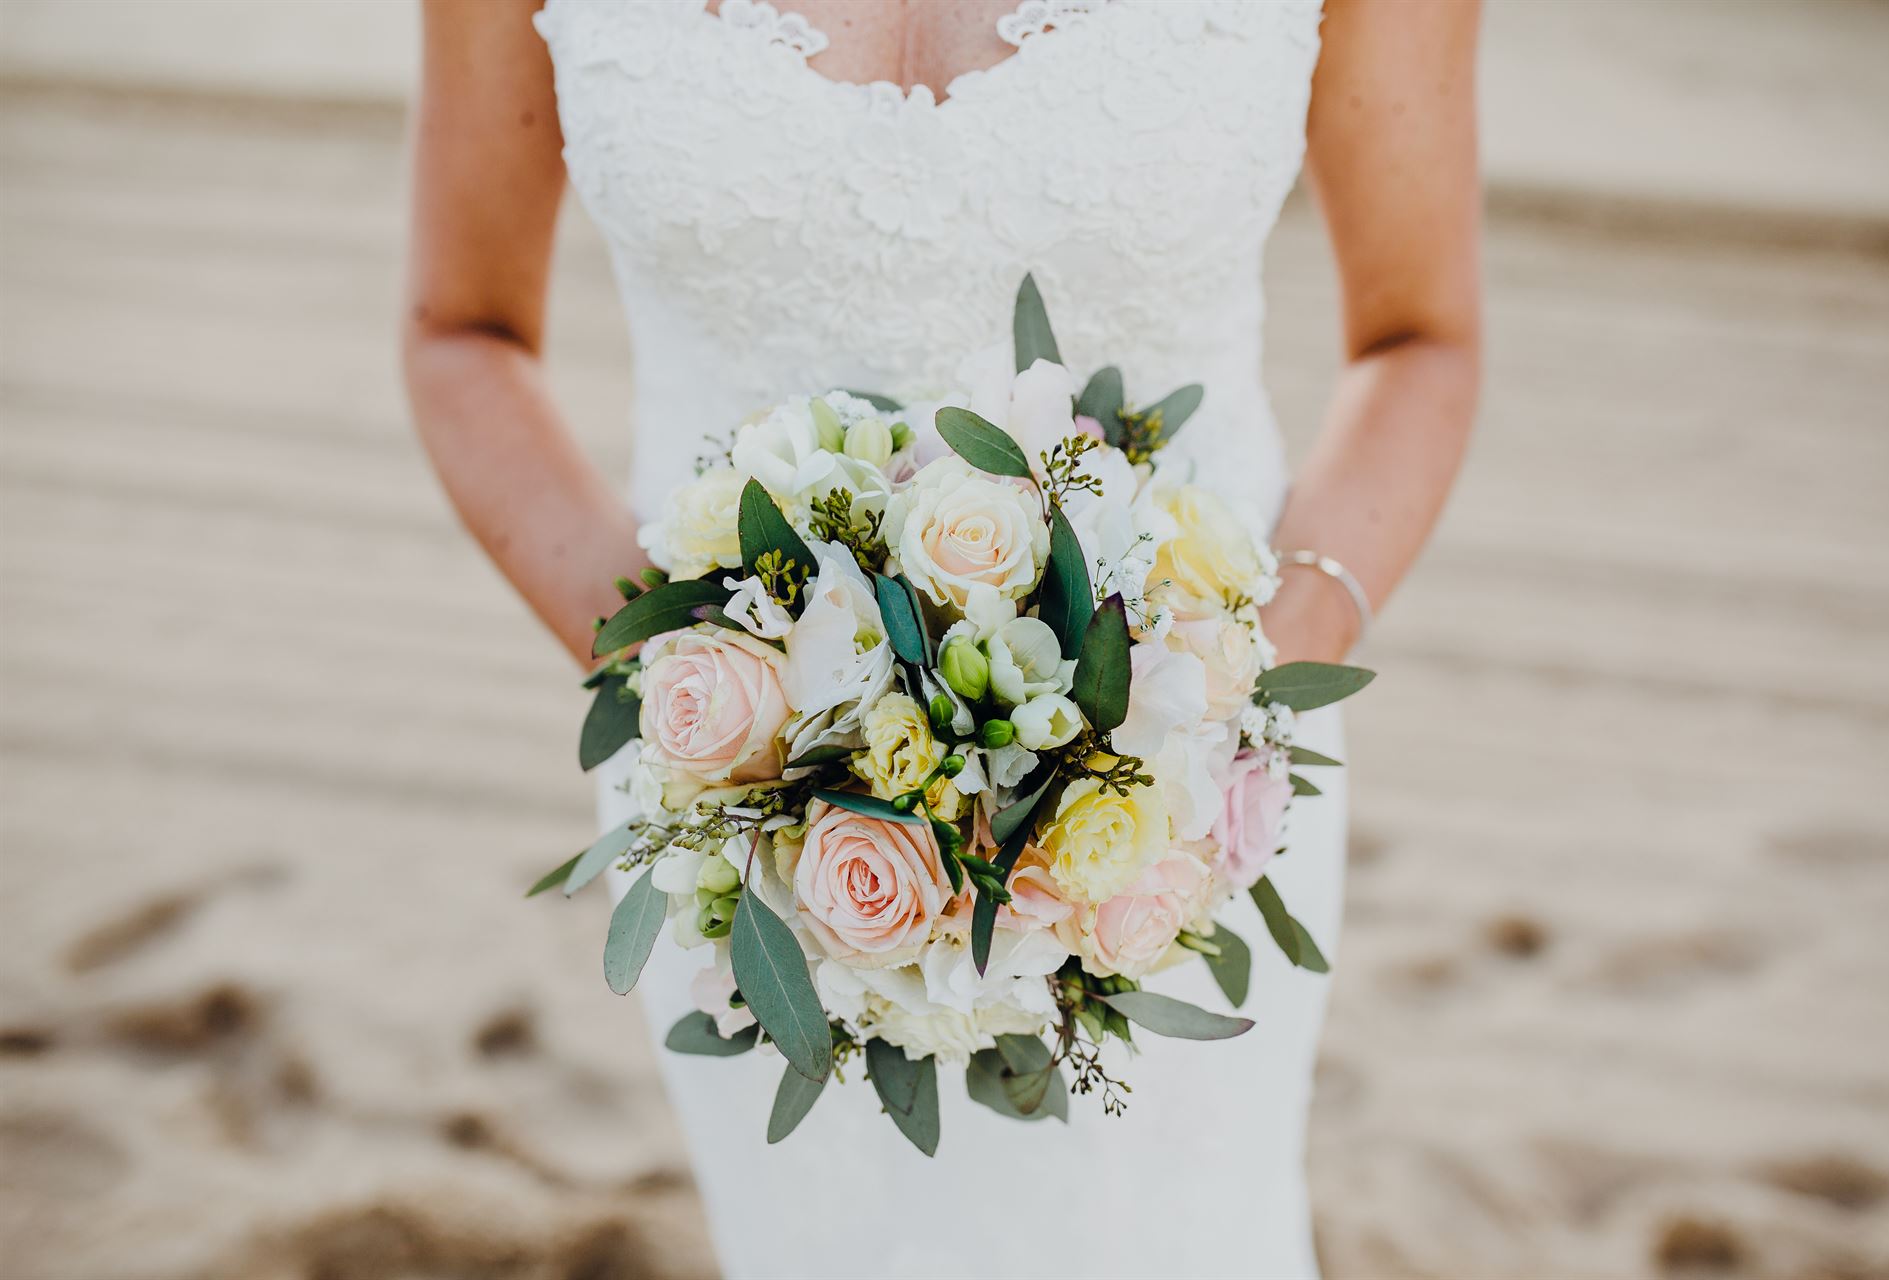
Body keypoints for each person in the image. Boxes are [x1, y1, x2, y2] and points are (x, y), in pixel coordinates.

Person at [404, 2, 1480, 1276]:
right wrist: (706, 690)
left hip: (1176, 813)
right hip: (759, 828)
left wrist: (1215, 699)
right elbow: (459, 329)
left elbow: (1422, 338)